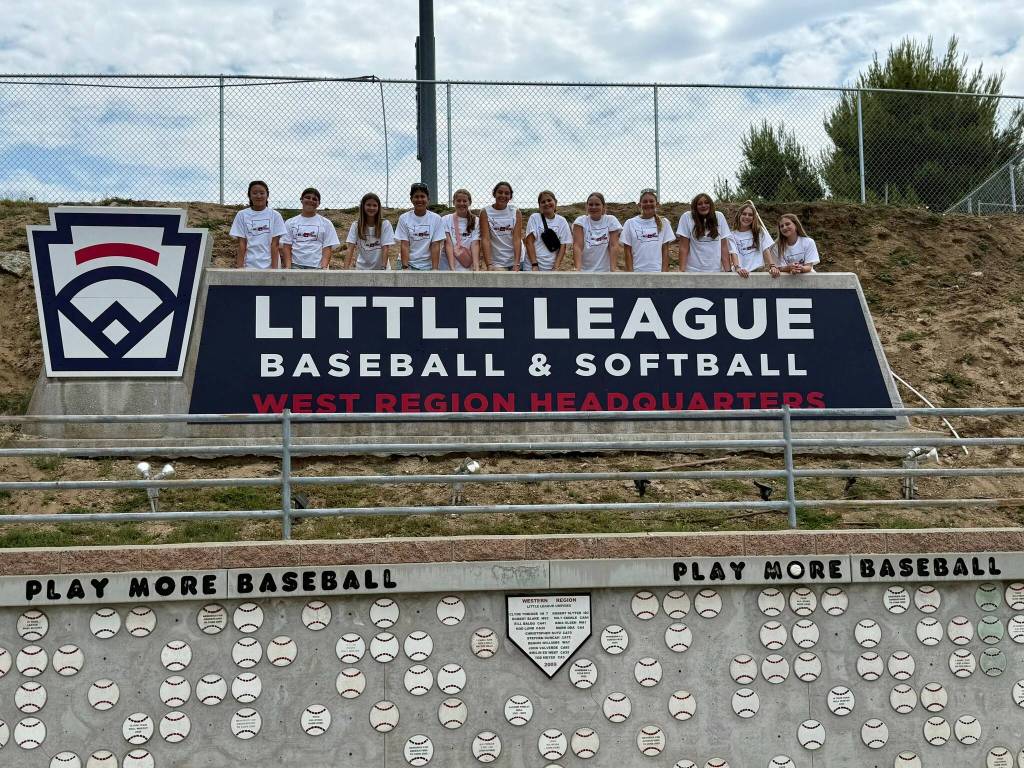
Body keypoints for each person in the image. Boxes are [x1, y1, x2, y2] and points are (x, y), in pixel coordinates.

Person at [229, 180, 287, 269]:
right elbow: (242, 244)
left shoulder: (275, 215)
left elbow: (275, 245)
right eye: (255, 193)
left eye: (262, 193)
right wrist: (240, 269)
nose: (258, 196)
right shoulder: (242, 215)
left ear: (267, 195)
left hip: (270, 265)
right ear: (249, 195)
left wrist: (274, 270)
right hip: (248, 265)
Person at [281, 187, 340, 269]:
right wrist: (288, 267)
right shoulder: (290, 222)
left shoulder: (326, 223)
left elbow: (327, 247)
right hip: (295, 265)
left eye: (314, 199)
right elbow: (287, 246)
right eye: (307, 197)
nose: (311, 200)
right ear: (301, 199)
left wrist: (323, 267)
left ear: (319, 203)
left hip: (317, 266)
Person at [619, 188, 675, 272]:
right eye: (645, 201)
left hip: (657, 272)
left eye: (651, 201)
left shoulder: (664, 223)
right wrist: (631, 275)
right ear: (639, 205)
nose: (648, 204)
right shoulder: (630, 223)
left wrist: (664, 275)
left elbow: (665, 251)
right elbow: (627, 252)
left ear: (657, 204)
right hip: (637, 272)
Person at [676, 192, 734, 273]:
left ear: (711, 204)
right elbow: (683, 247)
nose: (703, 206)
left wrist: (728, 271)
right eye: (699, 204)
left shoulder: (719, 217)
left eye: (707, 203)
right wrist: (681, 270)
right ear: (695, 207)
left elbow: (724, 247)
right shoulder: (687, 217)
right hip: (693, 270)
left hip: (715, 270)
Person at [395, 182, 445, 270]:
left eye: (422, 196)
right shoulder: (404, 218)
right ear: (411, 199)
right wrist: (405, 268)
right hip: (408, 263)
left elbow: (435, 245)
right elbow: (405, 245)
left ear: (428, 199)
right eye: (416, 197)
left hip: (428, 265)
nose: (419, 199)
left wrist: (434, 269)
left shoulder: (436, 219)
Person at [572, 192, 622, 272]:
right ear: (586, 206)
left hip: (605, 271)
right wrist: (578, 268)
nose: (593, 207)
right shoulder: (580, 221)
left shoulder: (611, 220)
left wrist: (613, 269)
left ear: (603, 206)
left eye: (597, 204)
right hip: (585, 271)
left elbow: (613, 246)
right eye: (590, 204)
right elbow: (578, 246)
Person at [478, 181, 523, 270]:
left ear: (510, 197)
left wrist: (517, 264)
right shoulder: (485, 212)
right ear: (494, 194)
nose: (503, 195)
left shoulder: (515, 212)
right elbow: (485, 239)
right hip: (497, 262)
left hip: (516, 260)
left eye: (507, 193)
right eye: (500, 192)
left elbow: (517, 239)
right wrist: (489, 264)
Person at [345, 192, 395, 270]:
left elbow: (386, 248)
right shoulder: (356, 225)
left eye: (375, 205)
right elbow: (350, 248)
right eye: (368, 205)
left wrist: (383, 268)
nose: (371, 208)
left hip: (381, 268)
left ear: (378, 207)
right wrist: (345, 270)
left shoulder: (385, 224)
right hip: (362, 269)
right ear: (363, 206)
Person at [524, 190, 572, 271]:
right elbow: (529, 242)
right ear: (539, 206)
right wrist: (534, 264)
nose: (546, 203)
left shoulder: (562, 221)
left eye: (549, 200)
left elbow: (563, 246)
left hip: (550, 266)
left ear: (555, 202)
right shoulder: (534, 218)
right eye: (543, 202)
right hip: (532, 265)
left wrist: (556, 266)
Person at [730, 201, 779, 278]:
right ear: (739, 215)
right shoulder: (732, 235)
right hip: (740, 272)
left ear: (754, 218)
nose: (747, 217)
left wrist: (772, 266)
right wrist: (738, 268)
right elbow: (734, 253)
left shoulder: (759, 231)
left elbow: (765, 249)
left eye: (750, 215)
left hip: (758, 270)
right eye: (744, 214)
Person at [442, 188, 480, 271]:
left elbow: (475, 244)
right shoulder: (445, 219)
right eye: (458, 201)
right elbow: (448, 244)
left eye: (464, 201)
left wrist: (476, 266)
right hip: (449, 266)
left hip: (467, 266)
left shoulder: (476, 221)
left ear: (470, 202)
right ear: (453, 202)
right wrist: (452, 268)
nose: (461, 203)